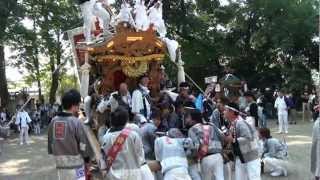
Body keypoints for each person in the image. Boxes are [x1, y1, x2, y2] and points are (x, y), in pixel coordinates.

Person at [48, 89, 93, 180]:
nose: (79, 107)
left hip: (60, 164)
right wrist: (87, 159)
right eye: (78, 104)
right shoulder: (76, 122)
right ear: (73, 106)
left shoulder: (53, 121)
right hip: (76, 165)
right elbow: (83, 144)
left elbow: (50, 142)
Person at [100, 107, 146, 180]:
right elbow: (141, 156)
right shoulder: (133, 135)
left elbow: (103, 158)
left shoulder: (106, 138)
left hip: (115, 175)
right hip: (134, 175)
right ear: (126, 120)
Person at [224, 102, 261, 180]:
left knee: (254, 178)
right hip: (240, 156)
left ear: (231, 112)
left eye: (225, 110)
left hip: (251, 156)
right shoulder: (233, 124)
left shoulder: (240, 123)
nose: (224, 112)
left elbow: (248, 138)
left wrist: (233, 139)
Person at [186, 108, 225, 180]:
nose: (186, 119)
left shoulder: (192, 129)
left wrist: (192, 157)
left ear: (193, 118)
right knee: (220, 177)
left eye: (188, 117)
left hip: (206, 158)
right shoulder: (211, 125)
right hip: (218, 156)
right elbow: (222, 136)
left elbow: (196, 146)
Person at [311, 114, 320, 180]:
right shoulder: (317, 123)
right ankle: (317, 174)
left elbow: (314, 139)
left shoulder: (316, 123)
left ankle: (317, 174)